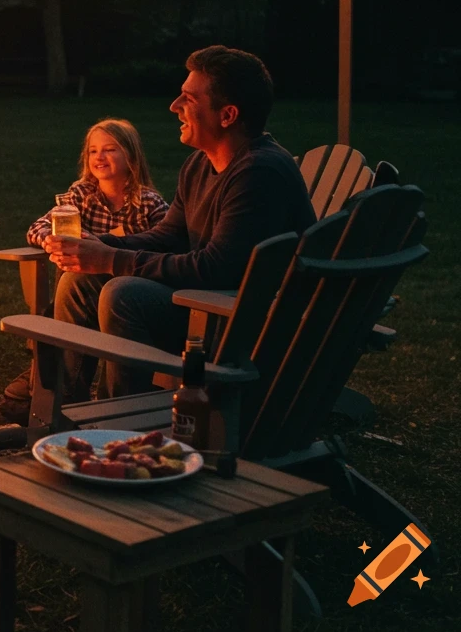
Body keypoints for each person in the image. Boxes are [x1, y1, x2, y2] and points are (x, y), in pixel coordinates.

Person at [44, 45, 315, 398]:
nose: (174, 106)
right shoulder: (201, 164)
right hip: (204, 299)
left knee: (122, 294)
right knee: (79, 280)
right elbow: (167, 236)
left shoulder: (258, 173)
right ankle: (66, 408)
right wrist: (97, 247)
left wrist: (110, 260)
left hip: (237, 319)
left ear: (227, 115)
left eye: (188, 98)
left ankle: (122, 420)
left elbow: (218, 269)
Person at [4, 119, 169, 405]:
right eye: (93, 151)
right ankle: (64, 395)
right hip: (75, 295)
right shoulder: (81, 195)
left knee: (84, 289)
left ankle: (54, 387)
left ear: (130, 156)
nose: (100, 157)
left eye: (110, 150)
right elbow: (37, 227)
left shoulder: (149, 203)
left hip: (122, 291)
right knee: (71, 274)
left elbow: (168, 245)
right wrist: (52, 241)